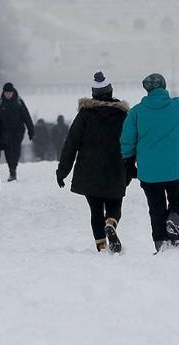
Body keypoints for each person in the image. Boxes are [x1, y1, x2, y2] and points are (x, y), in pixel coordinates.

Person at [120, 73, 179, 252]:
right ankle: (173, 220)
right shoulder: (177, 106)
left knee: (156, 208)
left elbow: (127, 139)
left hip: (149, 172)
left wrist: (128, 161)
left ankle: (160, 245)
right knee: (178, 200)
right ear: (164, 87)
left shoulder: (136, 112)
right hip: (176, 168)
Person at [56, 72, 136, 253]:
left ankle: (101, 246)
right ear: (110, 91)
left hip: (89, 170)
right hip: (116, 168)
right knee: (115, 206)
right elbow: (132, 143)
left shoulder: (85, 115)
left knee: (95, 211)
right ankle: (111, 222)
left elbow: (71, 143)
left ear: (93, 94)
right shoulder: (123, 115)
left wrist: (63, 171)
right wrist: (132, 167)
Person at [0, 81, 35, 181]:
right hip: (4, 132)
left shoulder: (19, 102)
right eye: (6, 93)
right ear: (3, 93)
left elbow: (27, 116)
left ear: (13, 92)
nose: (8, 95)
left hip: (17, 132)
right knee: (8, 151)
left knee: (16, 151)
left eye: (10, 92)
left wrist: (31, 130)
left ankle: (14, 167)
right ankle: (12, 171)